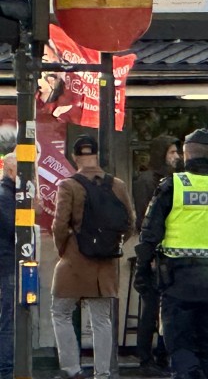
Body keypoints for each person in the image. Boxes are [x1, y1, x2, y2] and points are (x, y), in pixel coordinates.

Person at [135, 128, 208, 379]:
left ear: (185, 156)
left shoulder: (172, 186)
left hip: (179, 283)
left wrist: (142, 272)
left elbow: (149, 235)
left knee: (181, 346)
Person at [52, 135, 134, 379]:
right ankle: (103, 373)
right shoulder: (117, 185)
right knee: (101, 320)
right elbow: (130, 223)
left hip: (74, 261)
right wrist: (112, 244)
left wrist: (65, 250)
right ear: (97, 155)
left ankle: (72, 369)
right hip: (105, 265)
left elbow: (59, 225)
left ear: (75, 157)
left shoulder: (69, 185)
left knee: (61, 312)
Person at [134, 135, 181, 376]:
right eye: (172, 152)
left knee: (167, 309)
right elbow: (145, 219)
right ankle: (145, 357)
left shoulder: (175, 181)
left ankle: (163, 354)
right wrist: (149, 253)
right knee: (151, 308)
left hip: (170, 252)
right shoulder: (147, 180)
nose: (176, 157)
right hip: (154, 253)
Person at [0, 153, 15, 379]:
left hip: (6, 261)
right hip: (6, 263)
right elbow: (16, 230)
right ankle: (5, 367)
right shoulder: (5, 197)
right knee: (8, 317)